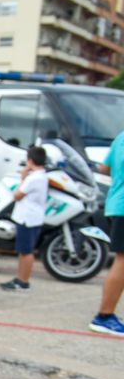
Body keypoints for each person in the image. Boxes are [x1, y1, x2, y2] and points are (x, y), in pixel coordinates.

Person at [88, 129, 124, 335]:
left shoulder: (120, 137)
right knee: (122, 261)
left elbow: (104, 168)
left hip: (115, 203)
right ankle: (104, 316)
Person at [0, 145, 49, 293]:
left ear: (30, 160)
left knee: (26, 251)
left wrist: (23, 178)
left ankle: (23, 281)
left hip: (27, 218)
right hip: (34, 217)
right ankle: (20, 278)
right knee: (24, 251)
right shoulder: (43, 176)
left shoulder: (33, 178)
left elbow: (17, 195)